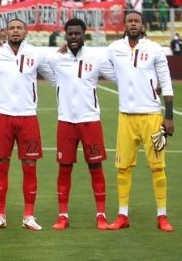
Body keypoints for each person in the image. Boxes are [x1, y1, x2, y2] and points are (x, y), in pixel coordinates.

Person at [0, 19, 53, 231]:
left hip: (28, 117)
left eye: (19, 28)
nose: (15, 31)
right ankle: (0, 215)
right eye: (12, 28)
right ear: (5, 32)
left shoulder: (36, 53)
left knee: (30, 166)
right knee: (1, 165)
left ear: (26, 32)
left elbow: (54, 77)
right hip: (3, 116)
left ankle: (29, 216)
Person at [106, 11, 175, 232]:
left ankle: (162, 216)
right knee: (123, 168)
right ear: (124, 25)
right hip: (125, 117)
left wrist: (169, 116)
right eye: (129, 21)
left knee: (158, 166)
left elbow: (166, 81)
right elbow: (97, 63)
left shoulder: (154, 48)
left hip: (153, 118)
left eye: (137, 21)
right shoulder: (115, 48)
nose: (133, 24)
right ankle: (122, 215)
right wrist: (122, 79)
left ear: (143, 26)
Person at [44, 19, 115, 230]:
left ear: (84, 34)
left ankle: (101, 215)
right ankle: (63, 216)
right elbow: (31, 59)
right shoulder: (55, 59)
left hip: (90, 121)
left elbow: (119, 76)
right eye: (70, 34)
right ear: (65, 36)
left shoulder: (97, 58)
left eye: (77, 33)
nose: (74, 37)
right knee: (64, 168)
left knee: (96, 167)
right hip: (65, 122)